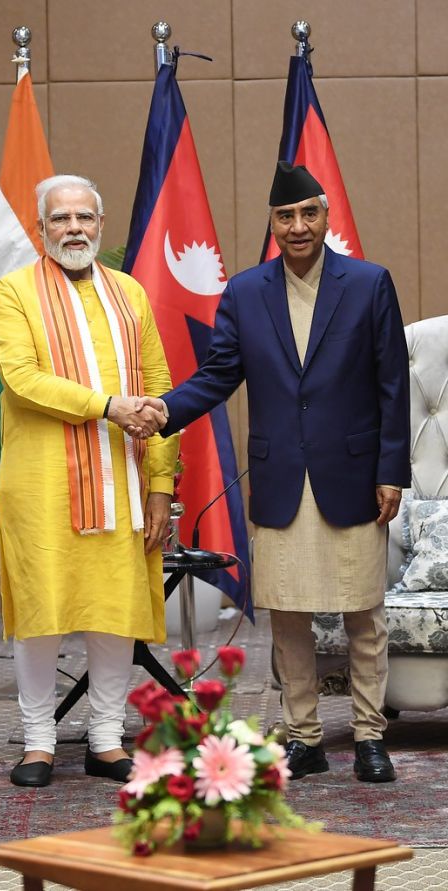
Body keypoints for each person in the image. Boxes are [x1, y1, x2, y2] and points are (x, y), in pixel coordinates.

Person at [136, 161, 411, 783]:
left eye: (308, 213)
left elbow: (393, 383)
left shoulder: (370, 284)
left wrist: (392, 468)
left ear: (326, 216)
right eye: (285, 216)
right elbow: (218, 373)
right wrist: (164, 411)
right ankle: (307, 737)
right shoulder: (246, 292)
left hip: (354, 475)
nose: (297, 226)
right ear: (272, 223)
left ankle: (369, 735)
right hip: (282, 477)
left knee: (363, 612)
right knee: (287, 616)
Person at [0, 174, 177, 787]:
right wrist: (108, 407)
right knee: (42, 611)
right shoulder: (13, 291)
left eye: (85, 218)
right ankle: (39, 743)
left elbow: (158, 390)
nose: (74, 229)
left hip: (121, 482)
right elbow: (21, 377)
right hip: (42, 485)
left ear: (100, 225)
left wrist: (160, 487)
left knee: (113, 611)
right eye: (61, 219)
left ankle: (104, 739)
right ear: (41, 229)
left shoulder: (130, 294)